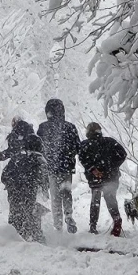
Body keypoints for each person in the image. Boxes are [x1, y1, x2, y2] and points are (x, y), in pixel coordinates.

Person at [0, 122, 49, 243]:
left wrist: (4, 155)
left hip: (14, 179)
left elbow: (7, 154)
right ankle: (35, 233)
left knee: (15, 207)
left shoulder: (14, 139)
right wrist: (43, 182)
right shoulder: (35, 141)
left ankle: (17, 233)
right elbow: (42, 159)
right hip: (30, 179)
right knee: (29, 205)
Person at [37, 99, 80, 233]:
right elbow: (78, 147)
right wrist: (69, 155)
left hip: (51, 167)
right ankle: (68, 214)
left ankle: (58, 225)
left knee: (55, 197)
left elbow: (39, 147)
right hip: (66, 167)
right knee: (66, 192)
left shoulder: (43, 127)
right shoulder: (70, 127)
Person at [79, 122, 127, 236]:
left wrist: (93, 170)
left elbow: (83, 159)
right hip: (111, 177)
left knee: (95, 201)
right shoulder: (110, 142)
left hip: (95, 178)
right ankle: (116, 220)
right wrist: (111, 167)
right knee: (110, 198)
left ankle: (93, 226)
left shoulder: (85, 144)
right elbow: (123, 154)